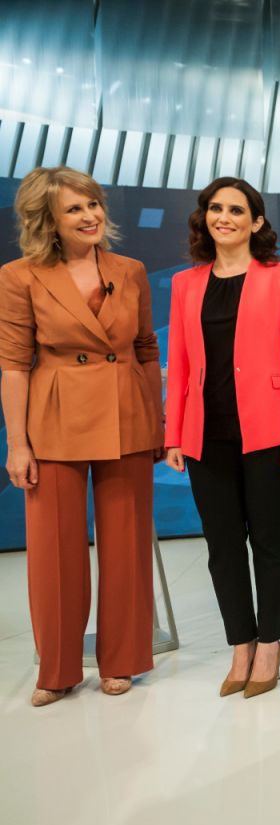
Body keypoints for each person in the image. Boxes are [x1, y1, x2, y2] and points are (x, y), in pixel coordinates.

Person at [0, 166, 163, 707]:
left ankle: (122, 661)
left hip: (126, 415)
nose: (91, 215)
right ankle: (59, 669)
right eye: (74, 209)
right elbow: (14, 365)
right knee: (54, 553)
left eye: (93, 204)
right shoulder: (19, 276)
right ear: (47, 219)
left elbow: (145, 348)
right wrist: (18, 445)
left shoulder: (130, 270)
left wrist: (157, 420)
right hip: (54, 422)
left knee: (127, 546)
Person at [164, 177, 280, 699]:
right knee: (222, 546)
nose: (222, 216)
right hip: (205, 432)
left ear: (256, 222)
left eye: (235, 209)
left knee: (269, 541)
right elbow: (179, 363)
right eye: (214, 208)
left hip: (270, 428)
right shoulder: (186, 284)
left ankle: (270, 642)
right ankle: (240, 645)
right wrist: (173, 435)